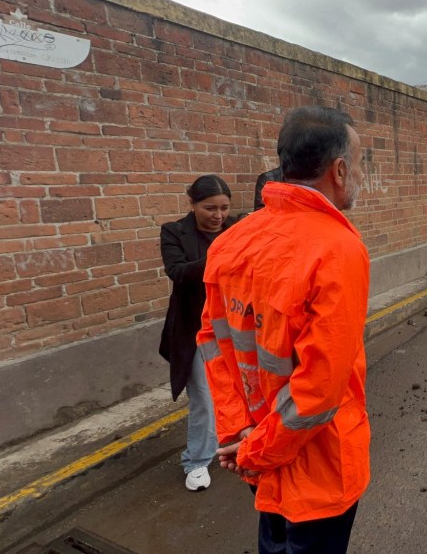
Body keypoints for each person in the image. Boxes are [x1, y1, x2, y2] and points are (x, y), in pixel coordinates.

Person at [197, 106, 370, 554]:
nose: (360, 174)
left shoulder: (231, 241)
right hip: (316, 468)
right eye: (360, 162)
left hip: (260, 455)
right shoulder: (337, 249)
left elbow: (214, 347)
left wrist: (238, 436)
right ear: (339, 169)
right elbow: (319, 393)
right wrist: (253, 450)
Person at [158, 175, 235, 492]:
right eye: (209, 208)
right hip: (195, 330)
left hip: (236, 327)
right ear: (192, 204)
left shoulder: (236, 229)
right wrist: (221, 257)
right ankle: (197, 461)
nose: (218, 216)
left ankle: (238, 444)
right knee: (204, 398)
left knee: (242, 391)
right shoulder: (174, 232)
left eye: (224, 208)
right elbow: (177, 272)